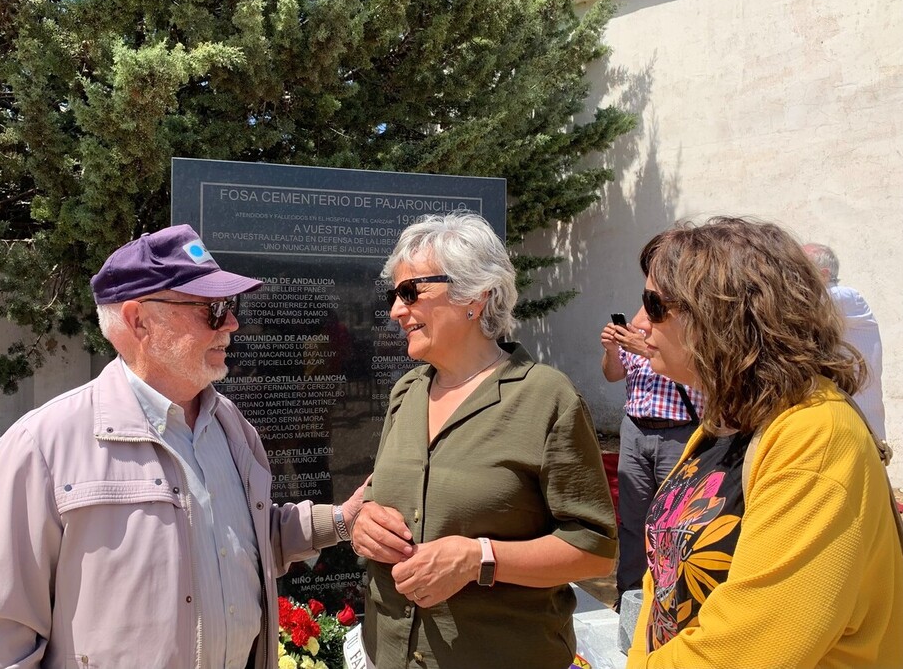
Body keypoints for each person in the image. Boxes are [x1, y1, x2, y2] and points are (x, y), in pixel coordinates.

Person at [0, 224, 363, 669]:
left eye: (231, 306)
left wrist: (339, 520)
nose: (233, 323)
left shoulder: (231, 427)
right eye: (213, 309)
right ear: (138, 320)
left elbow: (243, 542)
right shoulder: (40, 449)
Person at [626, 217, 903, 668]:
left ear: (718, 314)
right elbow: (663, 580)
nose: (638, 323)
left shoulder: (815, 436)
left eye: (653, 305)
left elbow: (751, 648)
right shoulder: (727, 421)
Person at [349, 212, 618, 669]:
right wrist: (363, 524)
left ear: (475, 295)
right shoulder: (407, 392)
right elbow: (383, 494)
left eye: (410, 292)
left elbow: (594, 551)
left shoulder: (545, 397)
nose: (396, 309)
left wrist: (479, 558)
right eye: (393, 295)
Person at [601, 251, 705, 601]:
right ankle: (629, 595)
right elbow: (613, 374)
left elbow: (699, 376)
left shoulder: (690, 328)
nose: (646, 315)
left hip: (678, 432)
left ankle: (672, 597)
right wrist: (613, 349)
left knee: (675, 521)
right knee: (633, 519)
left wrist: (644, 349)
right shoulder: (639, 324)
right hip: (635, 430)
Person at [803, 242, 886, 439]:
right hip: (841, 426)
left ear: (823, 275)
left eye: (799, 268)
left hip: (860, 429)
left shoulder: (848, 298)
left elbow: (794, 306)